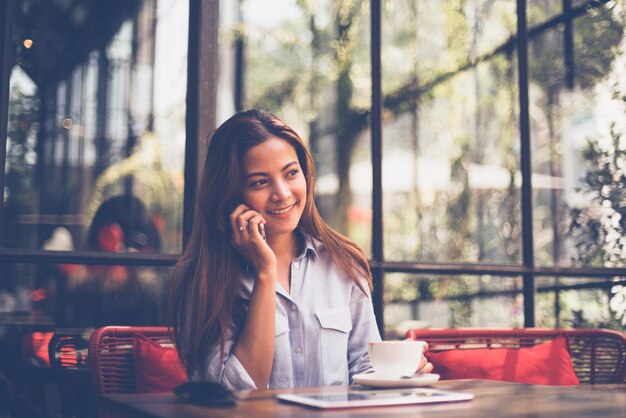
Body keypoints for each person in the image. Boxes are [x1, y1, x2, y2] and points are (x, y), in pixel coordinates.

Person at [169, 110, 431, 390]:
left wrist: (398, 375)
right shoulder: (206, 279)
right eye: (260, 182)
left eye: (291, 173)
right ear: (230, 195)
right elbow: (234, 394)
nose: (282, 193)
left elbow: (364, 373)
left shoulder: (343, 264)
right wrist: (265, 274)